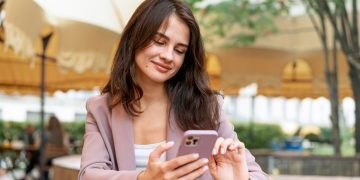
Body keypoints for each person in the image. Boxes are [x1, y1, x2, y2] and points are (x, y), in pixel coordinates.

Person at [79, 0, 268, 179]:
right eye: (160, 42)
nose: (168, 56)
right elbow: (89, 175)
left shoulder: (206, 107)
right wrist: (143, 178)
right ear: (135, 38)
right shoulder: (101, 109)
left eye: (179, 50)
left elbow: (258, 176)